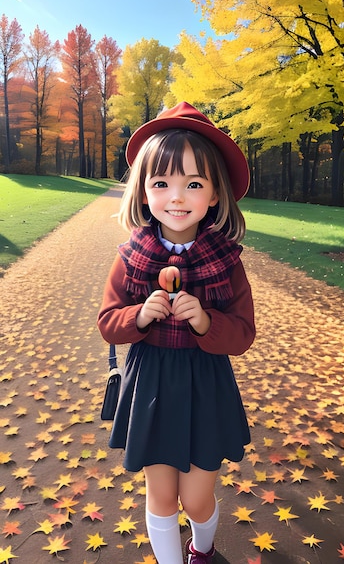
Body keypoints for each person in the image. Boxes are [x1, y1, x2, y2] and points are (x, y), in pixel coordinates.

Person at [97, 102, 255, 564]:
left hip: (206, 384)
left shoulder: (227, 260)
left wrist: (206, 321)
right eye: (162, 183)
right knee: (162, 497)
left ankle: (201, 549)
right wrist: (140, 316)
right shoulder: (131, 256)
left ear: (214, 194)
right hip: (152, 384)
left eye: (194, 183)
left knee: (197, 500)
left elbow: (243, 334)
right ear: (144, 192)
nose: (177, 196)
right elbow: (108, 322)